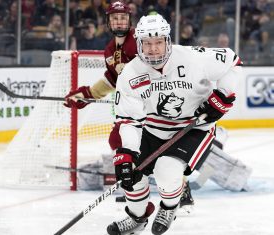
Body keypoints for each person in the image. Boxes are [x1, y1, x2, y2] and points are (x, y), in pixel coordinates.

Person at [106, 14, 242, 235]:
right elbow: (129, 120)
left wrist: (222, 96)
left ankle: (170, 207)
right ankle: (138, 217)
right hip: (153, 128)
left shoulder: (192, 57)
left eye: (158, 42)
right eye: (147, 43)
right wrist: (127, 153)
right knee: (131, 173)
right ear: (139, 43)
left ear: (167, 41)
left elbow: (232, 61)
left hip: (194, 127)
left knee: (166, 170)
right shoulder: (130, 73)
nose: (153, 49)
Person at [64, 0, 196, 211]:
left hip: (155, 104)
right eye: (115, 18)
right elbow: (112, 78)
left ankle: (170, 188)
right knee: (120, 140)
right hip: (135, 105)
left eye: (123, 18)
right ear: (108, 22)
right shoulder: (109, 50)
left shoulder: (141, 40)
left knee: (135, 142)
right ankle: (140, 188)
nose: (119, 22)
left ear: (129, 19)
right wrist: (88, 94)